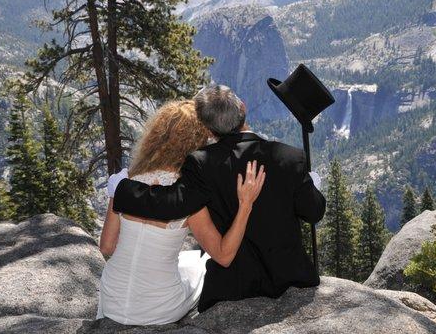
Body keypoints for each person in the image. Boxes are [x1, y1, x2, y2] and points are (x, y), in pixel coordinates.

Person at [110, 85, 326, 313]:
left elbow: (171, 204)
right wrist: (311, 185)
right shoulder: (289, 157)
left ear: (209, 129)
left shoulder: (202, 163)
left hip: (232, 287)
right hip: (288, 280)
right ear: (243, 108)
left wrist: (121, 188)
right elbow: (314, 212)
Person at [97, 100, 265, 325]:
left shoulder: (124, 183)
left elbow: (107, 247)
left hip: (111, 301)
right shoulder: (186, 196)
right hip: (157, 309)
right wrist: (245, 205)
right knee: (201, 267)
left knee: (186, 259)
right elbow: (224, 256)